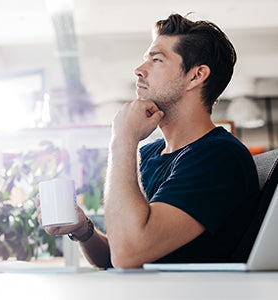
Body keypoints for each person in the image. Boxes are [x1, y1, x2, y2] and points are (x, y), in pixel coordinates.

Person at [36, 13, 260, 269]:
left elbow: (128, 254)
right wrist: (83, 229)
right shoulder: (152, 152)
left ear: (196, 76)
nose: (139, 70)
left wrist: (122, 139)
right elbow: (117, 253)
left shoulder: (219, 157)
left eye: (156, 60)